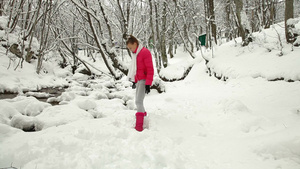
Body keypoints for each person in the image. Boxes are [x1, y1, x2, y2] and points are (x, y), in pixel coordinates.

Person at [126, 35, 154, 132]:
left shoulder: (145, 52)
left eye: (130, 47)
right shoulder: (136, 53)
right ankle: (143, 116)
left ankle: (139, 126)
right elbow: (137, 69)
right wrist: (134, 80)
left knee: (138, 101)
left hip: (144, 80)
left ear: (135, 43)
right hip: (139, 80)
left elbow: (150, 69)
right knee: (138, 101)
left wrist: (148, 84)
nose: (130, 50)